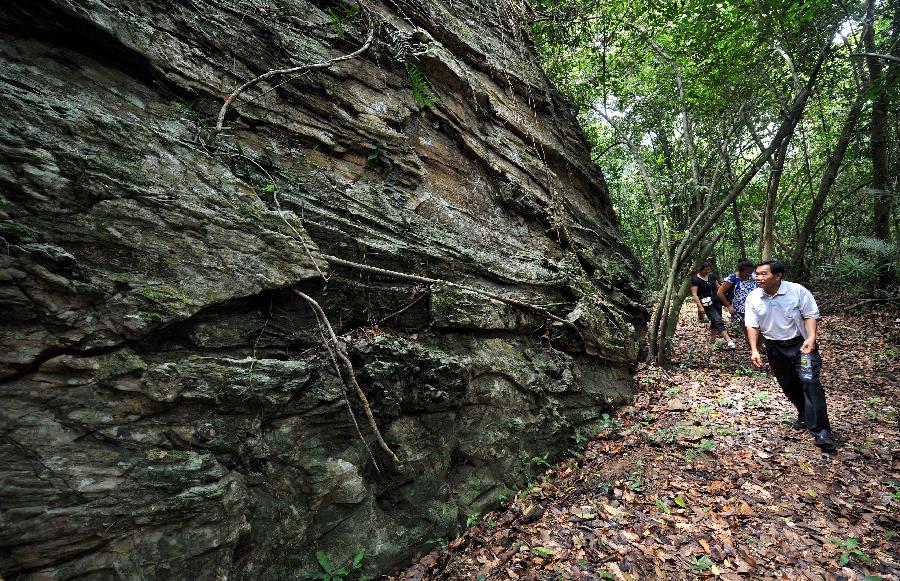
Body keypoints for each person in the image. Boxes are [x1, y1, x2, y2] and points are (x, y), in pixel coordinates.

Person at [744, 260, 836, 451]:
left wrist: (811, 337)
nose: (758, 278)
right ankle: (804, 414)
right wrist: (754, 349)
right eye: (756, 274)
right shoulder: (753, 297)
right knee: (788, 384)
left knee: (810, 382)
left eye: (763, 274)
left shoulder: (796, 291)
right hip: (774, 347)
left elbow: (810, 314)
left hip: (800, 345)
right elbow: (752, 324)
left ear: (777, 276)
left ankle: (821, 432)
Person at [691, 262, 736, 349]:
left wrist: (726, 299)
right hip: (706, 303)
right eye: (705, 270)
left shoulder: (712, 276)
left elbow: (719, 288)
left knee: (716, 319)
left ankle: (712, 339)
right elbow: (694, 294)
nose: (707, 271)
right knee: (717, 320)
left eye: (709, 269)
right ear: (700, 269)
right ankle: (729, 341)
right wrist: (700, 306)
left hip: (716, 301)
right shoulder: (695, 279)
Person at [717, 259, 759, 348]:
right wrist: (728, 306)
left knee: (758, 329)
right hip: (739, 310)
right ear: (740, 271)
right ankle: (753, 350)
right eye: (747, 273)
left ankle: (756, 346)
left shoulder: (754, 277)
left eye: (751, 273)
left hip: (755, 308)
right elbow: (720, 293)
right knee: (748, 331)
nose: (749, 275)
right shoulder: (732, 279)